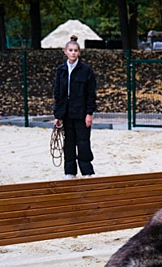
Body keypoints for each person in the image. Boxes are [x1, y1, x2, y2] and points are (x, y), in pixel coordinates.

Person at [53, 35, 97, 179]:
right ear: (65, 51)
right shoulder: (61, 71)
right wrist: (57, 115)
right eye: (70, 50)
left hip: (81, 112)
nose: (73, 53)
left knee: (83, 142)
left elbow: (91, 94)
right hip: (66, 113)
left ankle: (87, 171)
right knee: (69, 143)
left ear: (79, 52)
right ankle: (70, 171)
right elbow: (58, 94)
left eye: (75, 50)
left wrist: (89, 113)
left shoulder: (86, 71)